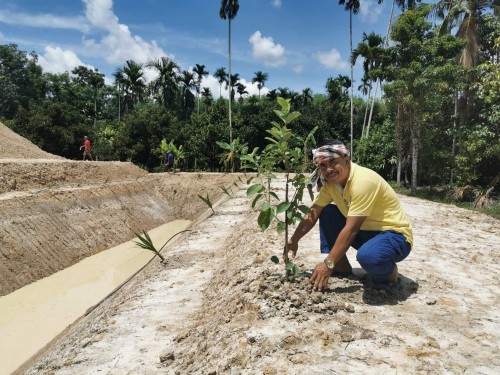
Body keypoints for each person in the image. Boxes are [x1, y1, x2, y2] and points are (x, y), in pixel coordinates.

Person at [285, 139, 412, 292]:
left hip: (394, 235)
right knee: (326, 212)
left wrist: (328, 263)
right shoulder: (330, 184)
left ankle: (390, 276)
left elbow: (351, 230)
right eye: (323, 165)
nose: (329, 169)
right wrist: (294, 239)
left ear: (346, 160)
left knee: (369, 257)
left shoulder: (363, 181)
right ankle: (342, 267)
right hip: (365, 232)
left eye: (333, 162)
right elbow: (314, 211)